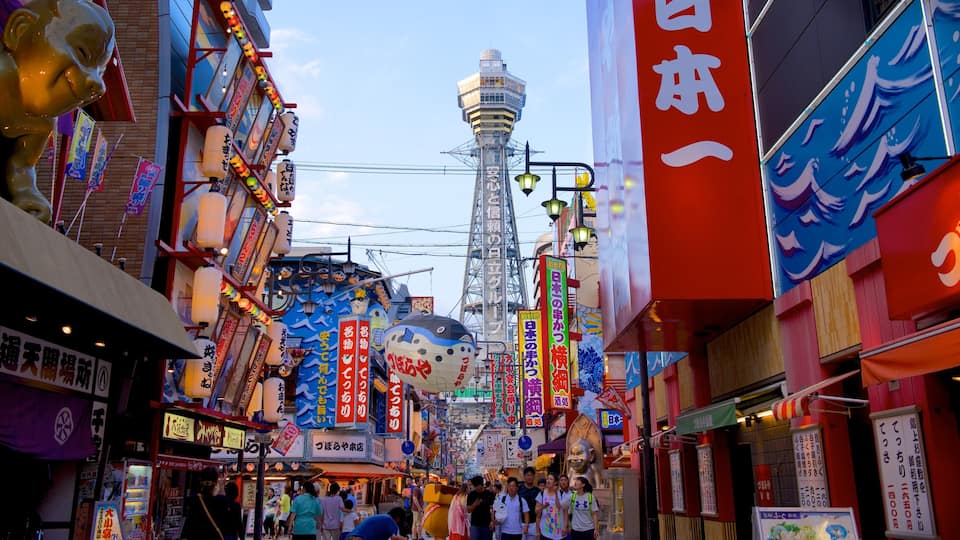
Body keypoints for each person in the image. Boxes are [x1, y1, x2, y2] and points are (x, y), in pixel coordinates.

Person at [0, 0, 116, 223]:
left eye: (100, 71)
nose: (97, 85)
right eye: (82, 53)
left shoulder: (40, 124)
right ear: (20, 30)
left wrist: (27, 194)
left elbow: (22, 166)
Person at [180, 466, 228, 540]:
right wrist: (221, 486)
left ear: (201, 481)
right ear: (215, 483)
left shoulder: (193, 500)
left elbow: (188, 525)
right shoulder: (222, 501)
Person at [535, 474, 567, 540]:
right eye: (547, 479)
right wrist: (543, 506)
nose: (548, 481)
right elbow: (536, 511)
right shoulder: (541, 493)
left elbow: (565, 512)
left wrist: (565, 527)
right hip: (545, 531)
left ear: (555, 482)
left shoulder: (562, 494)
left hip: (559, 532)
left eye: (551, 479)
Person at [466, 475, 494, 540]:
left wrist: (492, 521)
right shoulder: (471, 494)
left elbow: (493, 509)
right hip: (475, 524)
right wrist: (475, 504)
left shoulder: (489, 494)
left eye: (476, 486)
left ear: (481, 485)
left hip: (487, 524)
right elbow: (468, 510)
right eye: (474, 486)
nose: (475, 488)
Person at [518, 468, 540, 540]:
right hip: (521, 523)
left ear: (534, 476)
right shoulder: (519, 489)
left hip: (534, 524)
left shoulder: (538, 491)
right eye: (527, 475)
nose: (529, 477)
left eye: (531, 475)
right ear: (524, 476)